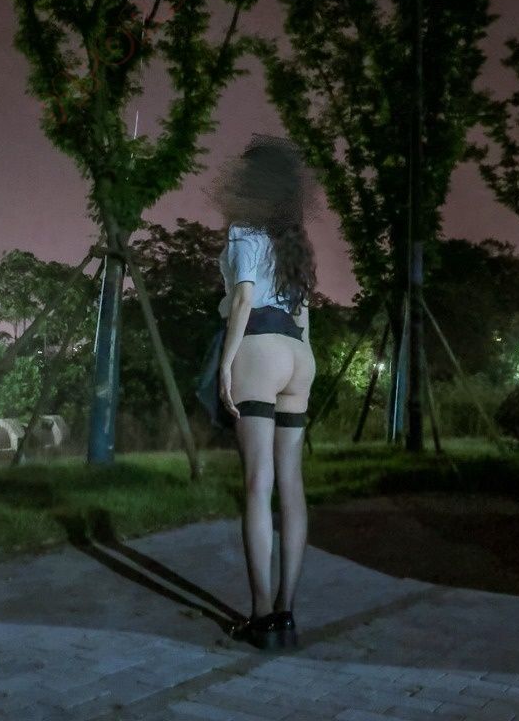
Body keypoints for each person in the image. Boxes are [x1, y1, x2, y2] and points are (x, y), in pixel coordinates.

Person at [196, 133, 321, 650]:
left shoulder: (244, 232)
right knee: (291, 485)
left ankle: (261, 617)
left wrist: (227, 364)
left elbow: (244, 300)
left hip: (260, 348)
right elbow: (303, 311)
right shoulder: (295, 240)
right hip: (299, 356)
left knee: (257, 484)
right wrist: (303, 359)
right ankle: (287, 614)